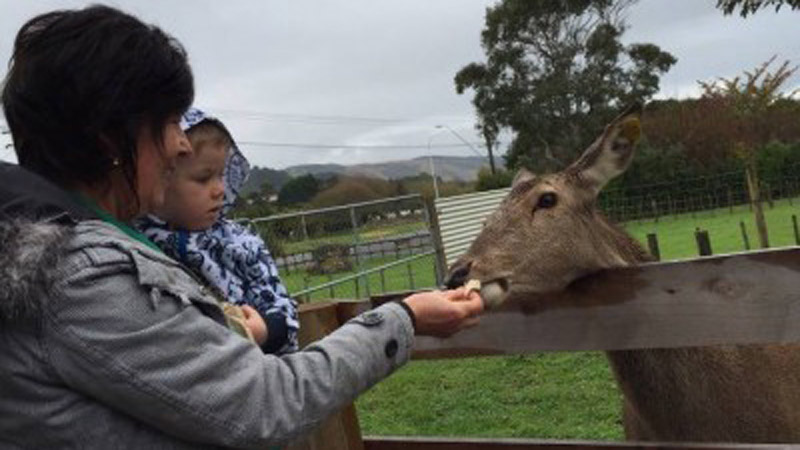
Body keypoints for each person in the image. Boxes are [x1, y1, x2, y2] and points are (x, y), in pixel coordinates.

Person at [0, 5, 483, 449]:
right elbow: (264, 404)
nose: (181, 146)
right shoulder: (79, 278)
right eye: (169, 122)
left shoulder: (62, 255)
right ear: (110, 138)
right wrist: (406, 317)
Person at [138, 108, 299, 354]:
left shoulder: (240, 243)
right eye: (203, 179)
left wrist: (264, 329)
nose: (219, 190)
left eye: (221, 175)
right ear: (160, 179)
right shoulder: (139, 244)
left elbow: (280, 304)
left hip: (259, 367)